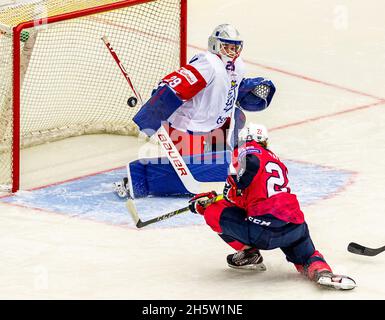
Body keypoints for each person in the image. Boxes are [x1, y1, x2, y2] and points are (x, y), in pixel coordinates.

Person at [114, 24, 275, 199]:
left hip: (215, 124)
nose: (232, 51)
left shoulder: (238, 66)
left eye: (235, 47)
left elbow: (228, 88)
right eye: (226, 46)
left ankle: (219, 160)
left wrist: (243, 90)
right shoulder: (208, 63)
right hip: (188, 125)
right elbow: (176, 84)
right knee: (188, 172)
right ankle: (139, 177)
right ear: (215, 44)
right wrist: (153, 114)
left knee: (224, 163)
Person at [188, 123, 356, 290]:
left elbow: (249, 167)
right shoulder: (275, 159)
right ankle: (322, 272)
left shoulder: (248, 150)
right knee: (307, 256)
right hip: (295, 226)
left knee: (212, 212)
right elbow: (254, 196)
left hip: (263, 230)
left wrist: (210, 203)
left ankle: (249, 254)